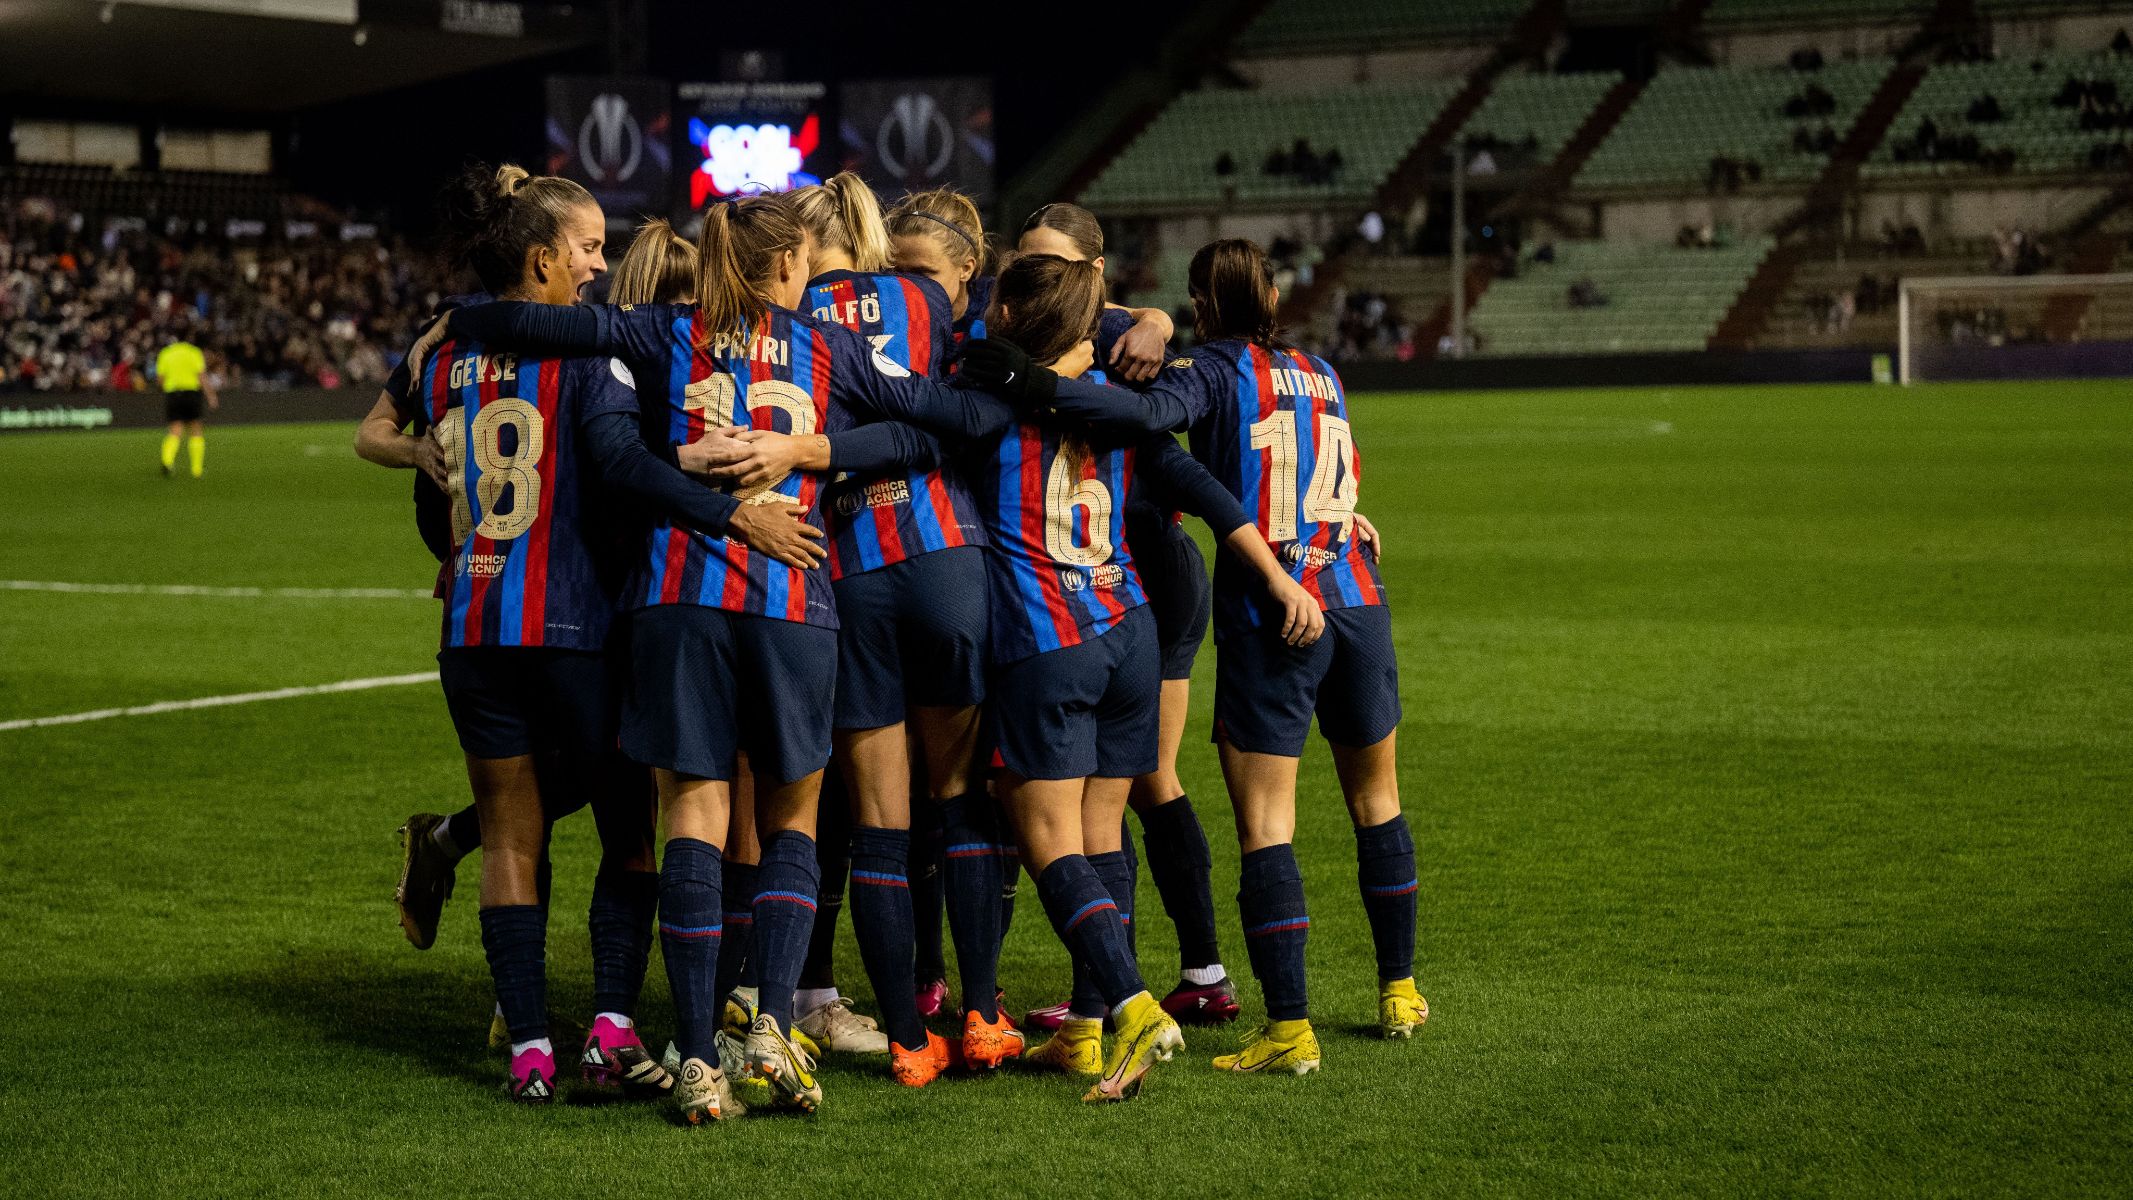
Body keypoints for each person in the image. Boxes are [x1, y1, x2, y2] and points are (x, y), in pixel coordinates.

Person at [411, 192, 1000, 1120]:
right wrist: (811, 447)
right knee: (791, 817)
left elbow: (506, 323)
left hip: (674, 600)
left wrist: (456, 320)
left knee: (691, 811)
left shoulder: (650, 331)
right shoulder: (828, 346)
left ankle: (693, 1056)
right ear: (782, 268)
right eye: (802, 262)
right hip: (789, 598)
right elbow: (946, 422)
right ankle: (768, 1023)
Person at [372, 164, 812, 1105]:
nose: (597, 270)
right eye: (585, 250)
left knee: (509, 837)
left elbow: (393, 440)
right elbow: (612, 467)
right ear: (541, 257)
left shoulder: (441, 355)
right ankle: (613, 1026)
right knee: (632, 835)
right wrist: (698, 477)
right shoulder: (595, 357)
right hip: (578, 620)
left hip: (475, 622)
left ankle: (528, 1045)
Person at [1011, 237, 1427, 1074]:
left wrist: (1028, 381)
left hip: (1274, 613)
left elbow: (1139, 420)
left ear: (1200, 308)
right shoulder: (1321, 369)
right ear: (1272, 297)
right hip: (1357, 595)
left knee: (1267, 824)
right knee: (1376, 802)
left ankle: (1287, 1029)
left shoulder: (1208, 371)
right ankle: (1398, 989)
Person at [787, 171, 1007, 1080]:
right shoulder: (925, 297)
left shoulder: (787, 316)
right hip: (946, 558)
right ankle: (984, 1013)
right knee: (957, 802)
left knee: (876, 823)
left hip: (846, 572)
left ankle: (909, 1043)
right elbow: (980, 394)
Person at [1010, 202, 1241, 1031]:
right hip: (1099, 575)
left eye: (1057, 263)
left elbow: (1169, 456)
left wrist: (1150, 320)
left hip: (1137, 566)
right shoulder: (1037, 326)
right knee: (1122, 788)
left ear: (1096, 272)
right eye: (1028, 261)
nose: (1040, 279)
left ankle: (1175, 977)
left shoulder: (1112, 334)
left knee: (1139, 781)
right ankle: (1114, 993)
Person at [156, 328, 216, 478]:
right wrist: (211, 396)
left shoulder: (166, 353)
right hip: (191, 394)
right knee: (196, 429)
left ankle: (167, 461)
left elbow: (160, 380)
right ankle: (197, 470)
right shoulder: (194, 352)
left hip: (174, 394)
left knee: (175, 430)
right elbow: (202, 376)